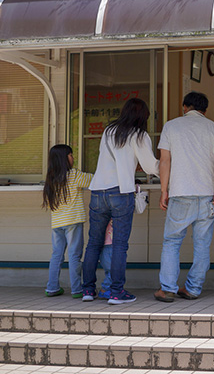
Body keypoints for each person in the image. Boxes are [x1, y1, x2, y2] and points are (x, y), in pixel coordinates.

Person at [81, 98, 160, 304]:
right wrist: (170, 167)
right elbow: (151, 167)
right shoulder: (139, 135)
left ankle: (88, 290)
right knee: (119, 245)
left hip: (98, 191)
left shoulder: (108, 131)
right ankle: (116, 292)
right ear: (143, 116)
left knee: (93, 244)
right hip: (120, 192)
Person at [154, 92, 214, 302]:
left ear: (185, 107)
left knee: (172, 242)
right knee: (202, 245)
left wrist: (164, 190)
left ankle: (168, 288)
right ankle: (193, 288)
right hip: (207, 195)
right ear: (205, 110)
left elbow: (165, 161)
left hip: (180, 194)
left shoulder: (171, 126)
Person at [41, 144, 93, 298]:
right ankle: (77, 289)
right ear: (64, 159)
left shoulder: (51, 179)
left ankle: (52, 288)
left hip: (57, 223)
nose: (73, 158)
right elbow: (93, 180)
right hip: (73, 221)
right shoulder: (74, 175)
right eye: (71, 155)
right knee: (74, 255)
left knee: (57, 254)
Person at [97, 220, 113, 299]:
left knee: (110, 269)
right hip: (108, 244)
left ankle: (107, 288)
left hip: (106, 243)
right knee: (111, 269)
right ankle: (105, 289)